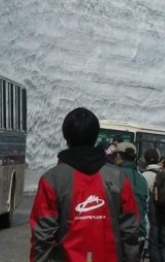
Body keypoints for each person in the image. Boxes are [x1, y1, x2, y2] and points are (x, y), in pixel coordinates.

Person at [30, 107, 140, 262]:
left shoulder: (52, 179)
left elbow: (42, 237)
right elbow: (130, 231)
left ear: (66, 137)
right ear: (95, 137)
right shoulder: (118, 177)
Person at [113, 142, 150, 255]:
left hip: (118, 234)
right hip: (138, 234)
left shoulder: (112, 175)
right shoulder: (143, 180)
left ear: (118, 156)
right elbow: (145, 208)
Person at [142, 148, 165, 262]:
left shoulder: (144, 175)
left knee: (153, 244)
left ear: (145, 160)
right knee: (164, 244)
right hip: (164, 212)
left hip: (151, 215)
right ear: (159, 159)